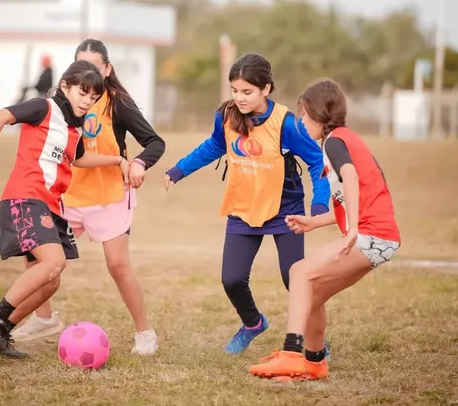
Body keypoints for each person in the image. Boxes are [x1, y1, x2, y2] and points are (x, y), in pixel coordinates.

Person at [161, 53, 331, 355]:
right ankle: (253, 323)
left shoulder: (286, 123)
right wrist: (178, 170)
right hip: (243, 206)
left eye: (247, 92)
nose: (239, 98)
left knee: (295, 279)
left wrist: (319, 205)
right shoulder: (226, 116)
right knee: (232, 279)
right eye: (234, 90)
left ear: (266, 89)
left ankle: (314, 338)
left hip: (285, 210)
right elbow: (214, 145)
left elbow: (317, 161)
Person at [10, 39, 166, 355]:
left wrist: (137, 162)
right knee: (35, 256)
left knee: (118, 265)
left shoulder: (117, 102)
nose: (88, 74)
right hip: (67, 195)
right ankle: (43, 319)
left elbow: (154, 142)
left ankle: (145, 331)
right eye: (81, 65)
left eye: (95, 66)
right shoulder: (59, 103)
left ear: (107, 70)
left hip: (108, 195)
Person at [0, 60, 131, 358]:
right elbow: (1, 115)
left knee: (50, 280)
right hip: (26, 197)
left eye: (93, 97)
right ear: (65, 87)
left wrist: (117, 160)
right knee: (54, 263)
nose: (87, 101)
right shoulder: (44, 108)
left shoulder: (74, 128)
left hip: (51, 205)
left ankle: (1, 329)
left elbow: (80, 159)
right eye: (83, 93)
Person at [249, 79, 400, 380]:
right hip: (378, 235)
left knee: (299, 272)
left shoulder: (334, 141)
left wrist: (354, 229)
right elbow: (350, 196)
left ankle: (292, 354)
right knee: (312, 293)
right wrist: (315, 221)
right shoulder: (341, 140)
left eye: (304, 115)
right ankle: (314, 363)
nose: (302, 122)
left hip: (372, 234)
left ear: (318, 115)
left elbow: (352, 178)